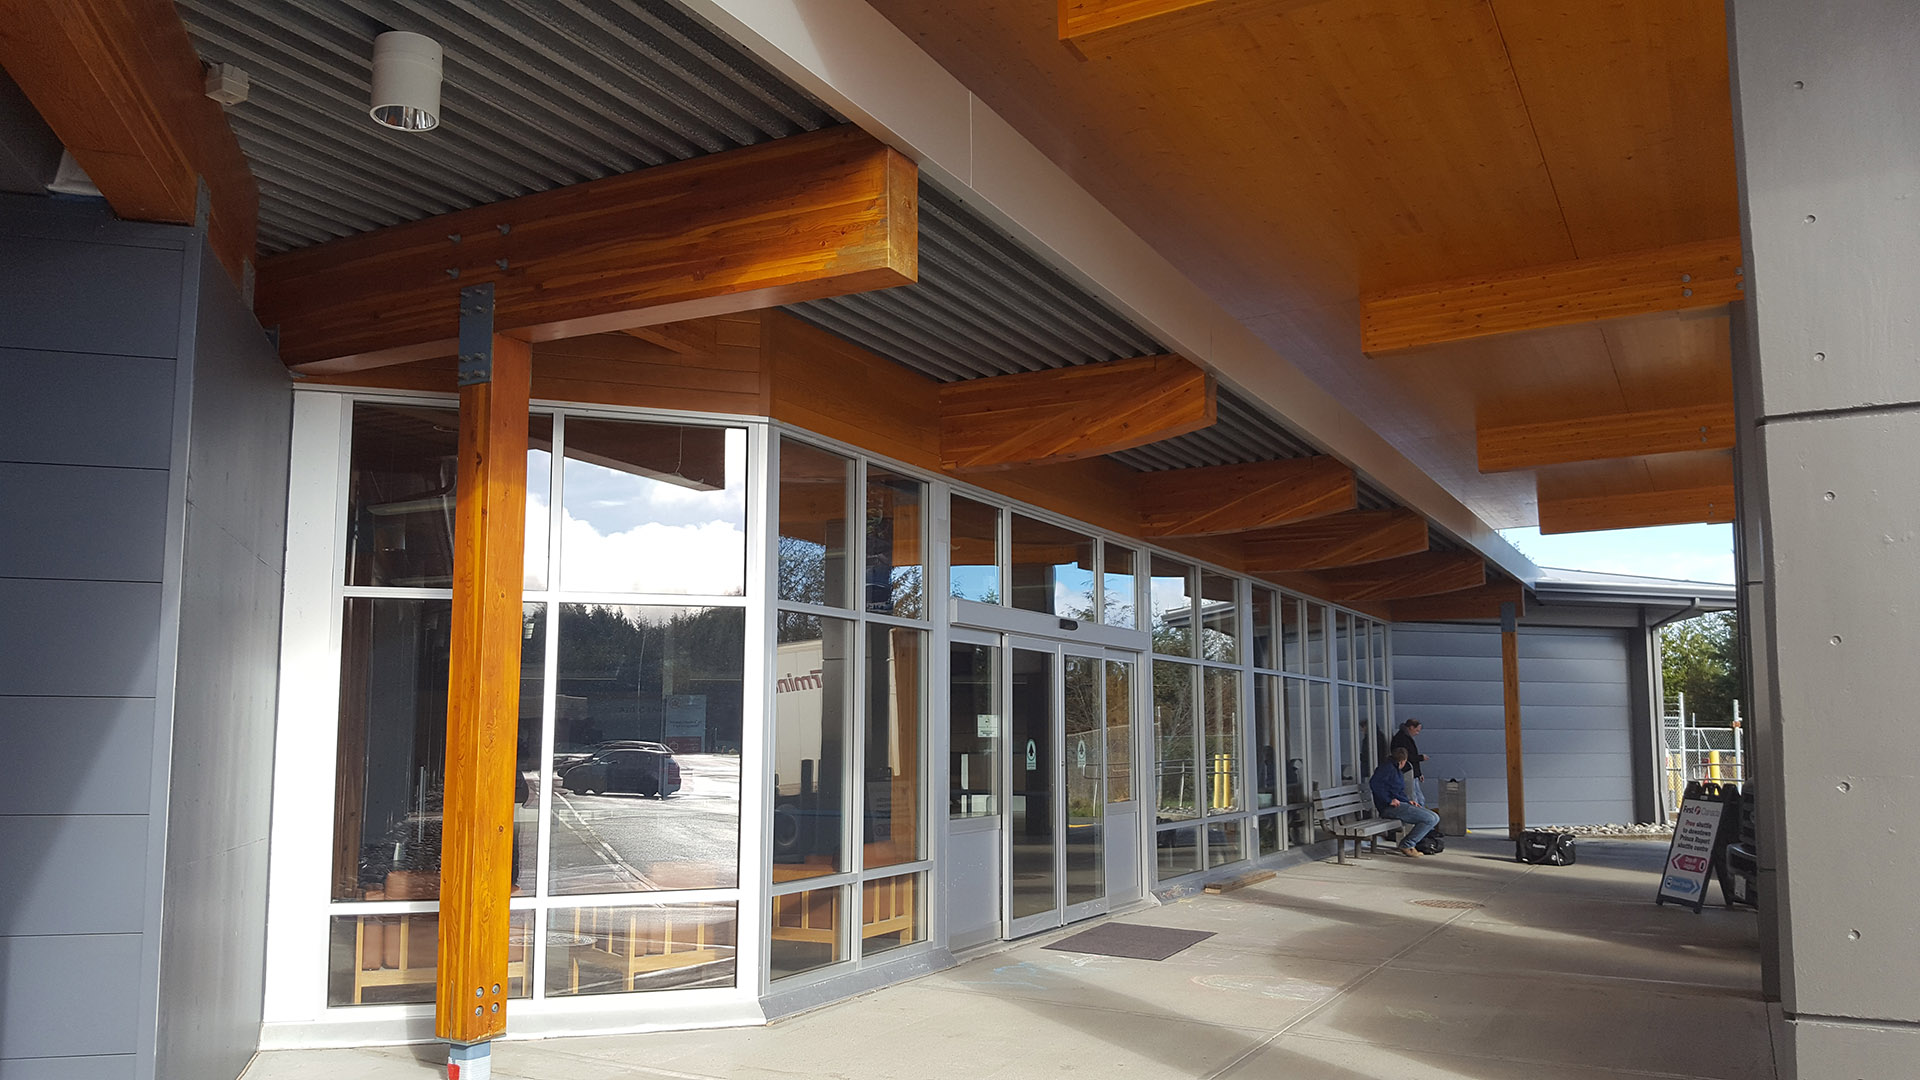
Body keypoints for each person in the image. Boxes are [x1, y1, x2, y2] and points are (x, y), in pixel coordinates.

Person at [1369, 746, 1439, 858]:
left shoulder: (1393, 768)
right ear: (1403, 761)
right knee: (1430, 819)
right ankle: (1407, 844)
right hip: (1389, 808)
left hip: (1398, 804)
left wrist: (1408, 801)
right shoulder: (1387, 769)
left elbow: (1396, 791)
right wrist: (1388, 800)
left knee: (1434, 817)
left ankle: (1409, 844)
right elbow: (1375, 784)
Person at [1391, 718, 1429, 806]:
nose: (1417, 733)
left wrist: (1419, 773)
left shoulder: (1404, 737)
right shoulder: (1403, 739)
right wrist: (1421, 758)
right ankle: (1420, 816)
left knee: (1418, 797)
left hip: (1412, 772)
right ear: (1411, 727)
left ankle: (1421, 814)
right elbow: (1408, 757)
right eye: (1417, 730)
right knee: (1415, 797)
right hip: (1408, 772)